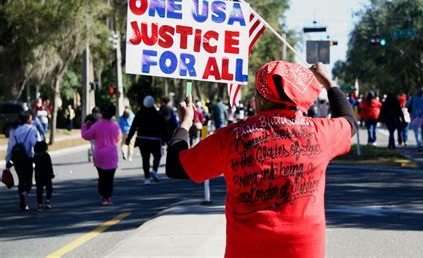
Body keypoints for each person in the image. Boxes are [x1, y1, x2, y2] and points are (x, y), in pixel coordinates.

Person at [166, 61, 356, 257]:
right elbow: (349, 121)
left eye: (256, 95)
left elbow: (175, 167)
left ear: (263, 99)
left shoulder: (232, 137)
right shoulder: (319, 133)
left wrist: (185, 123)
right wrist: (328, 82)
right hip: (303, 250)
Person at [81, 103, 121, 205]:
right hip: (111, 155)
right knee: (109, 178)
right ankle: (107, 197)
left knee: (102, 176)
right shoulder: (115, 126)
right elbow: (118, 138)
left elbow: (86, 135)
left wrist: (85, 124)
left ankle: (104, 196)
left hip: (99, 155)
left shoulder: (96, 126)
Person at [5, 111, 40, 211]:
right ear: (28, 119)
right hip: (27, 159)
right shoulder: (32, 130)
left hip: (16, 160)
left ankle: (22, 200)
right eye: (31, 118)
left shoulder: (13, 130)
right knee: (28, 180)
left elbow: (10, 147)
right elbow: (35, 144)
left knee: (21, 180)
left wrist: (8, 161)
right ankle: (25, 193)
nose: (32, 119)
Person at [126, 96, 166, 184]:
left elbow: (133, 127)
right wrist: (167, 140)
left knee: (145, 159)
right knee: (158, 155)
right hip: (155, 140)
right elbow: (163, 128)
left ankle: (147, 178)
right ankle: (154, 170)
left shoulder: (139, 114)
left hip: (142, 139)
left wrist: (128, 139)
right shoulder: (158, 114)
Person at [33, 141, 54, 211]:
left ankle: (39, 204)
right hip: (47, 174)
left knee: (39, 190)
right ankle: (47, 201)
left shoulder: (35, 156)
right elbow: (49, 165)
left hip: (38, 175)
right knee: (49, 188)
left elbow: (33, 164)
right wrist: (51, 174)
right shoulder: (46, 155)